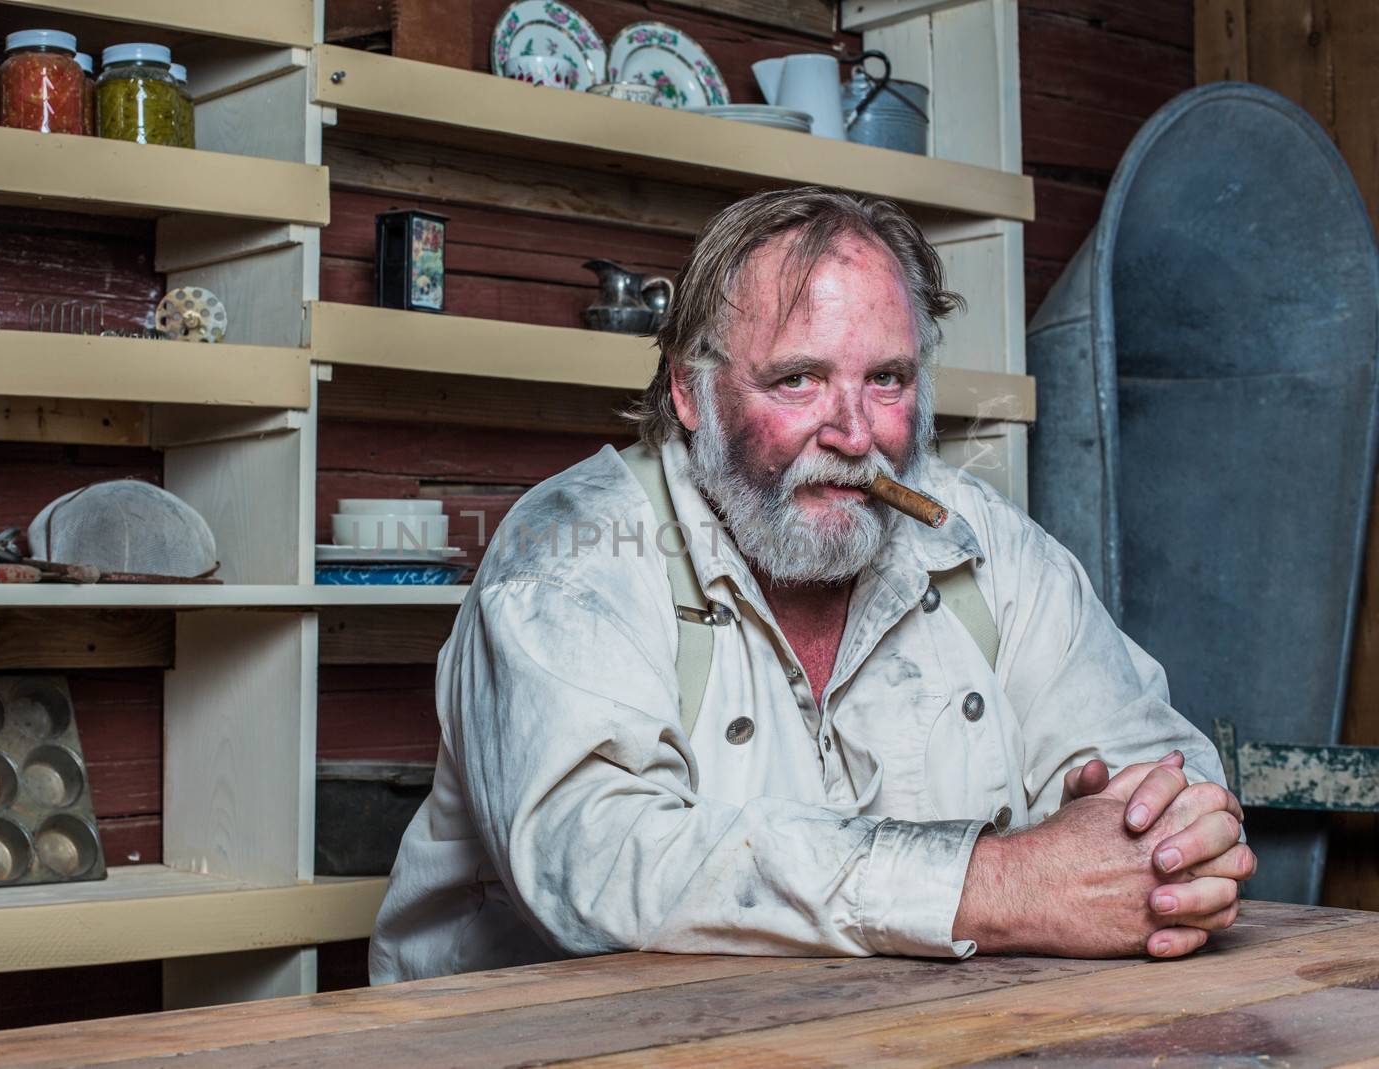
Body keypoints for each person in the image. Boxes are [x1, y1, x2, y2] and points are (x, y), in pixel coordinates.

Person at [369, 187, 1255, 984]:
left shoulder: (986, 543)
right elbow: (593, 864)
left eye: (888, 379)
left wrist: (1173, 841)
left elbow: (1165, 768)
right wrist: (1003, 883)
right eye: (799, 379)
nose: (854, 431)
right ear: (689, 390)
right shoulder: (567, 553)